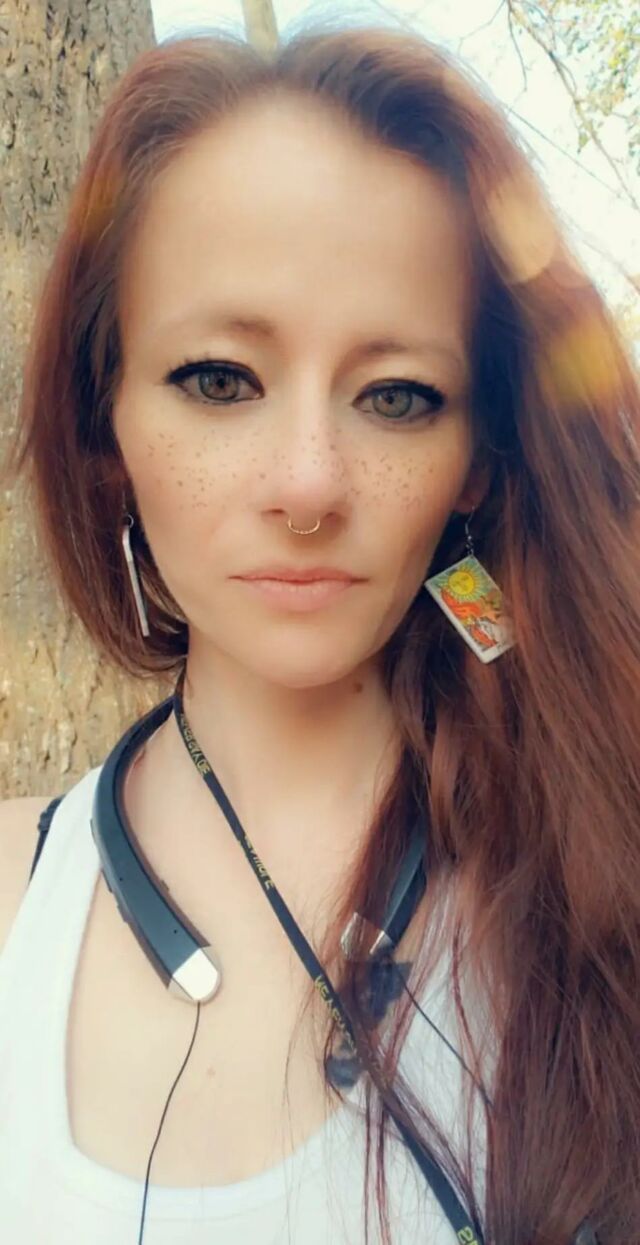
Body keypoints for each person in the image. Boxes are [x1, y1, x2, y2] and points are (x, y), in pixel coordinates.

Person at [1, 18, 638, 1245]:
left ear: (477, 459)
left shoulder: (606, 849)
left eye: (396, 395)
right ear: (105, 421)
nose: (308, 484)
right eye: (219, 379)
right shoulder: (16, 902)